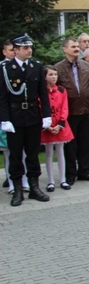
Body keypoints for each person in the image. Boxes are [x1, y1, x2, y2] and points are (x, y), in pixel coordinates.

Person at [0, 34, 52, 206]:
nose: (29, 50)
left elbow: (43, 94)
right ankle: (17, 189)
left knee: (33, 154)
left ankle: (34, 187)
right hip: (15, 117)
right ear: (15, 50)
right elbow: (2, 97)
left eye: (30, 47)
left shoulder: (36, 66)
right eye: (25, 48)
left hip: (32, 115)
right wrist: (5, 119)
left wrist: (46, 115)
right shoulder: (6, 69)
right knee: (15, 155)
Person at [54, 37, 89, 185]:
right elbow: (55, 92)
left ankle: (85, 171)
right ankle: (70, 174)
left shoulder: (87, 66)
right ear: (65, 49)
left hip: (87, 111)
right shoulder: (58, 68)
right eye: (73, 46)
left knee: (86, 143)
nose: (76, 49)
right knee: (70, 146)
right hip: (69, 113)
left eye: (77, 46)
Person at [1, 39, 29, 194]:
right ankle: (12, 182)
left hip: (24, 116)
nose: (13, 52)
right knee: (9, 152)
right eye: (10, 50)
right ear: (5, 52)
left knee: (24, 151)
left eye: (14, 49)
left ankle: (24, 181)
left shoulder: (26, 66)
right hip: (8, 115)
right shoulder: (3, 68)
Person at [41, 65, 74, 191]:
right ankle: (50, 181)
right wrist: (48, 125)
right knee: (49, 153)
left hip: (60, 125)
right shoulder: (42, 91)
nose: (54, 77)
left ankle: (63, 179)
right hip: (48, 124)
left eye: (55, 74)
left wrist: (60, 124)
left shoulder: (61, 90)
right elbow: (40, 108)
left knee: (60, 152)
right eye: (50, 74)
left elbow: (65, 108)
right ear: (45, 77)